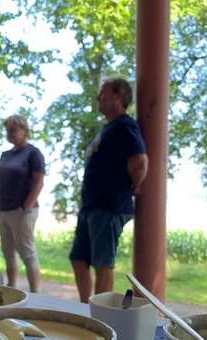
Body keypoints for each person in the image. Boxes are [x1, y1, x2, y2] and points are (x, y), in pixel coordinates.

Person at [69, 77, 148, 303]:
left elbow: (140, 161)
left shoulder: (125, 125)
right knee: (78, 259)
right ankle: (86, 307)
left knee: (103, 263)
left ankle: (100, 314)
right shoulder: (109, 128)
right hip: (91, 206)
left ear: (117, 97)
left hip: (108, 206)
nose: (98, 98)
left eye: (103, 93)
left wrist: (133, 186)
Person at [0, 115, 45, 292]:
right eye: (7, 130)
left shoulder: (33, 153)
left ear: (24, 131)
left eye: (13, 130)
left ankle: (35, 293)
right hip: (4, 209)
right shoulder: (5, 155)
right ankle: (11, 289)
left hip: (22, 211)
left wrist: (27, 206)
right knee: (8, 251)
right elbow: (3, 177)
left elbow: (38, 181)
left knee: (27, 252)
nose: (9, 133)